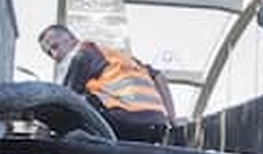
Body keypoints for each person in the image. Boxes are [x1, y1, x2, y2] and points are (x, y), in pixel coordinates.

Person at [38, 24, 175, 143]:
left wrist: (45, 130)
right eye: (50, 53)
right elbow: (159, 77)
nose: (55, 55)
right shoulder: (119, 56)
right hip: (157, 126)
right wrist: (171, 118)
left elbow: (64, 100)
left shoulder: (81, 55)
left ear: (72, 38)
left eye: (55, 46)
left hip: (123, 121)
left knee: (69, 108)